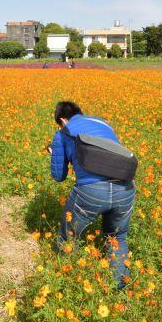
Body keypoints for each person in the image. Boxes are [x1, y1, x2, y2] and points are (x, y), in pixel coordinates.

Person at [47, 101, 135, 288]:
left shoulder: (63, 132)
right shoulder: (102, 123)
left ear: (62, 119)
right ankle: (119, 290)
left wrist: (55, 152)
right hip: (126, 187)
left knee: (68, 236)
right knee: (116, 238)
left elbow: (58, 176)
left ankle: (63, 284)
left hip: (92, 190)